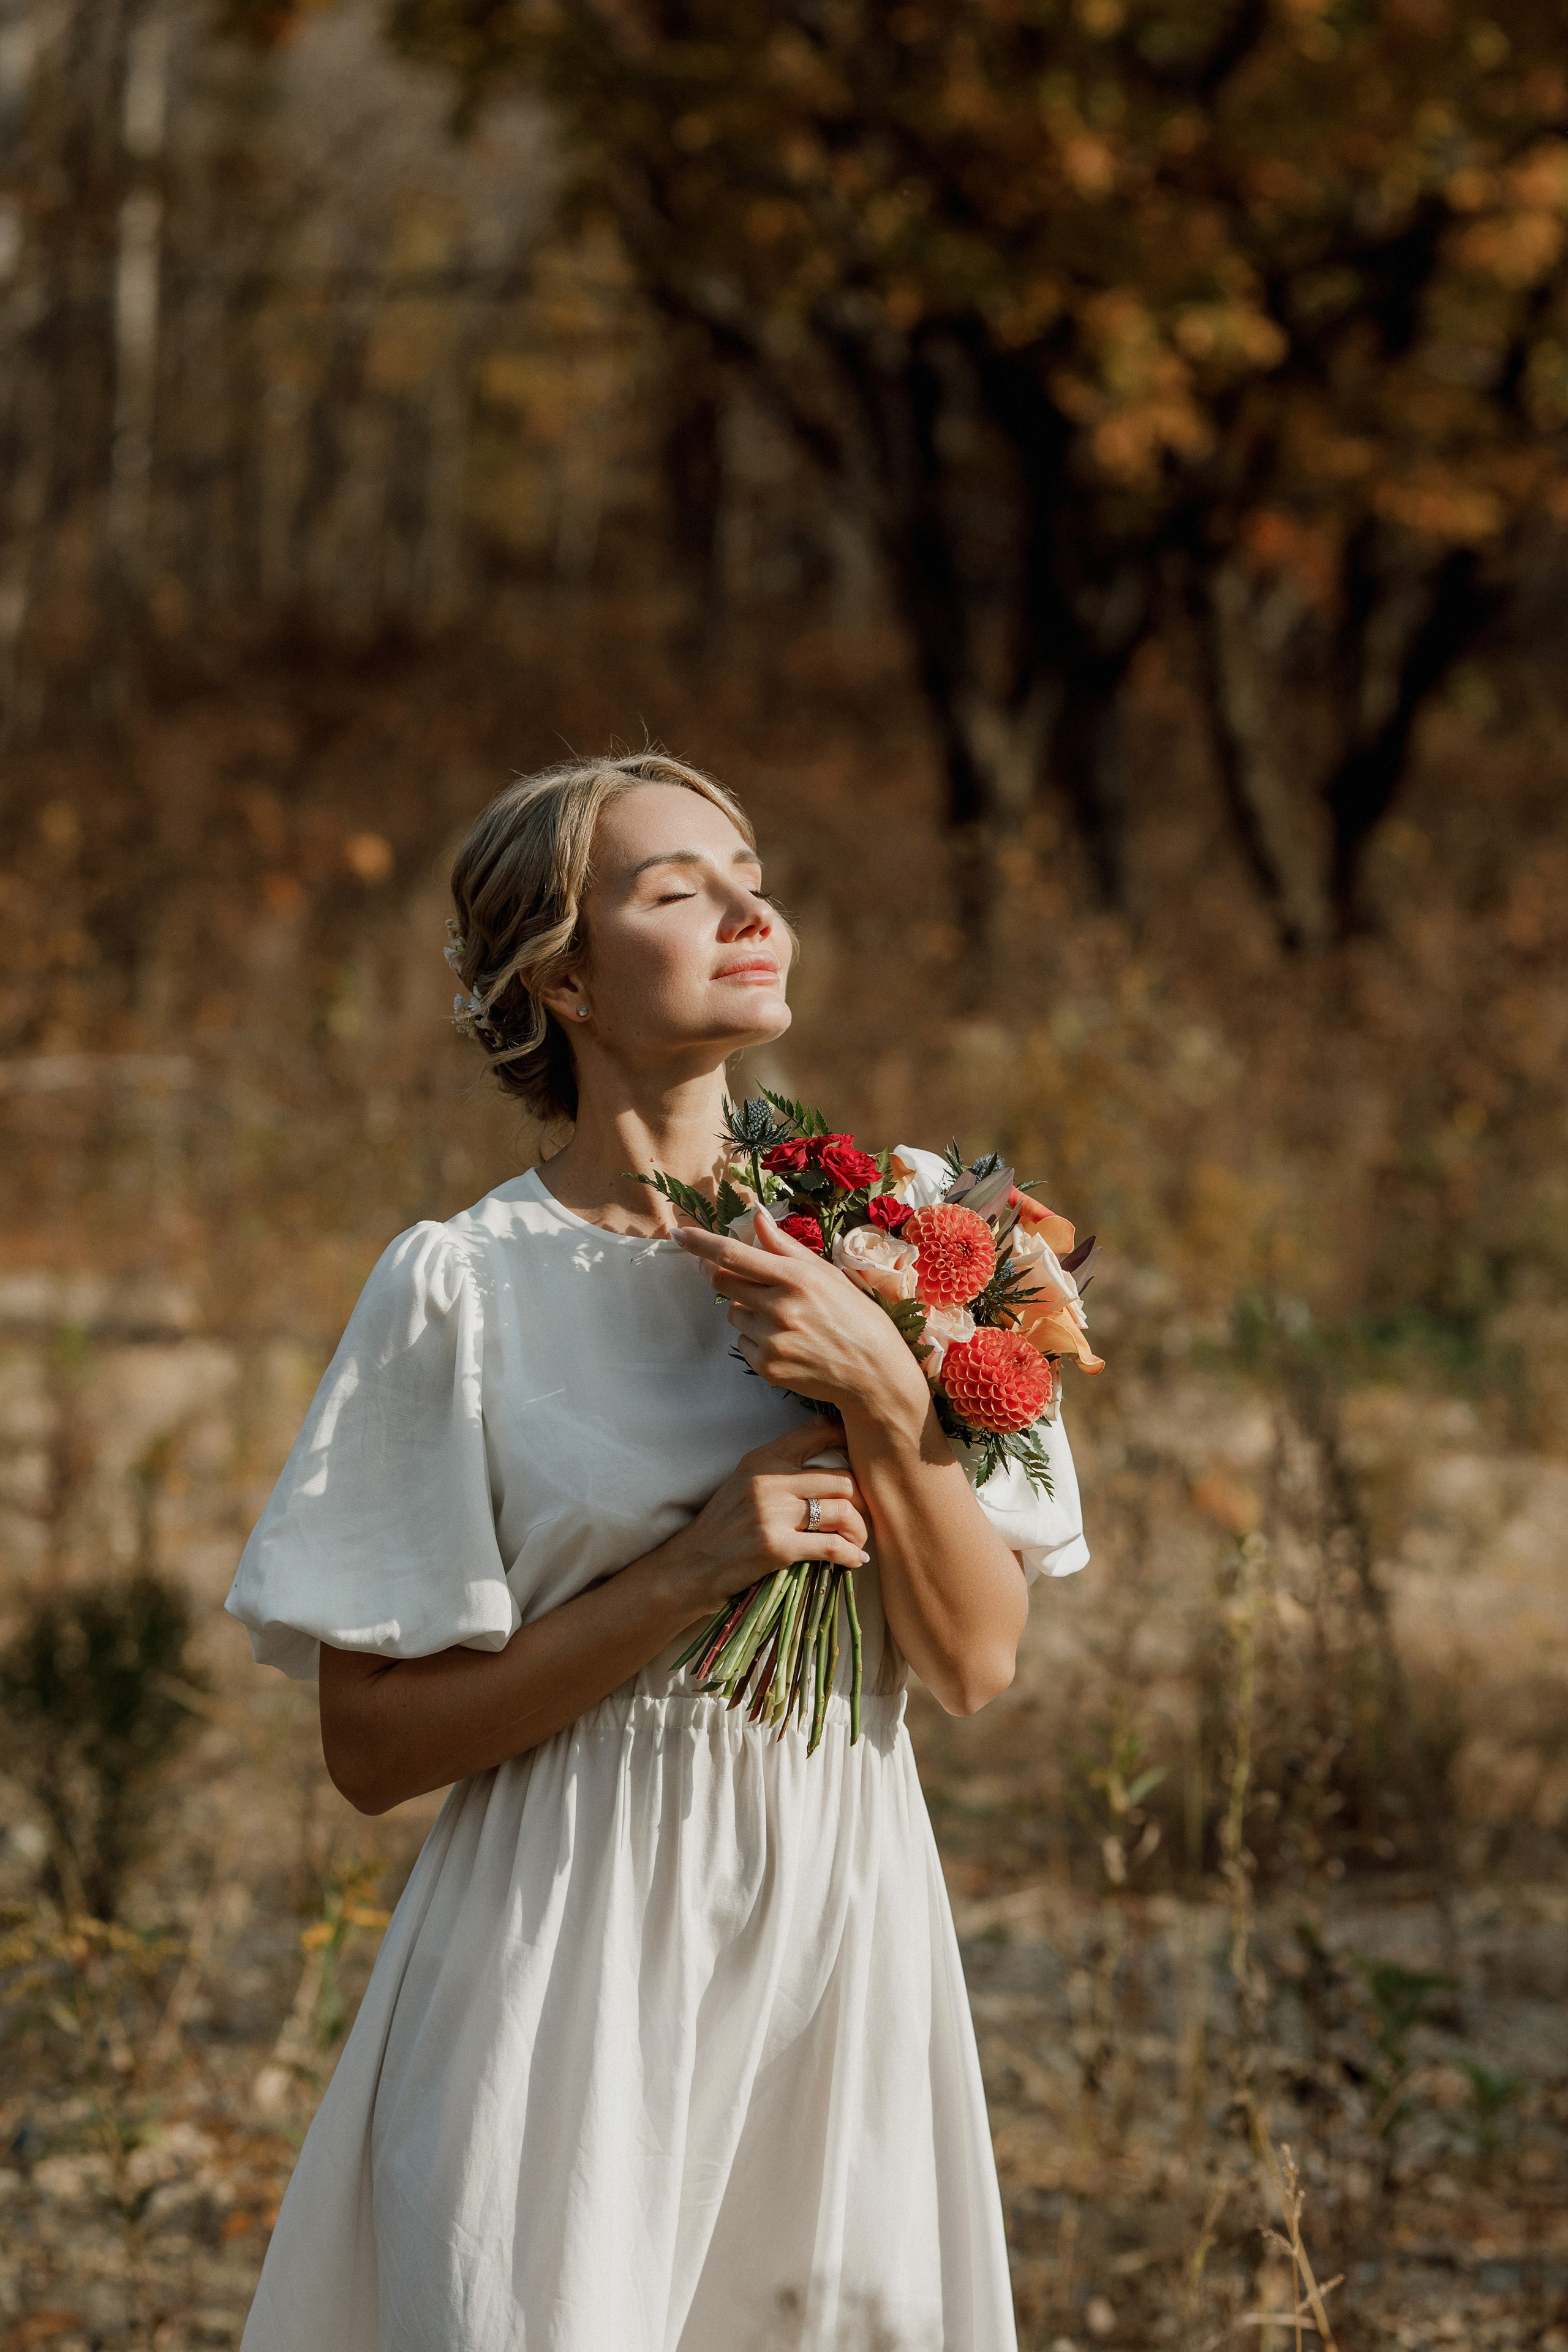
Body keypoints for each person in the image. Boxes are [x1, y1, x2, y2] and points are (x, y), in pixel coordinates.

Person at [225, 749, 1090, 2352]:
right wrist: (692, 1572)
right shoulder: (460, 1288)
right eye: (677, 887)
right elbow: (370, 1746)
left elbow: (975, 1664)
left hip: (838, 1921)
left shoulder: (912, 1234)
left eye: (747, 871)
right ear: (563, 975)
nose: (749, 909)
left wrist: (885, 1386)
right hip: (563, 1944)